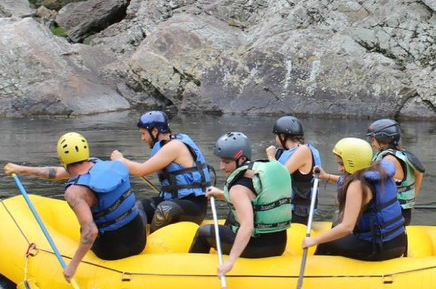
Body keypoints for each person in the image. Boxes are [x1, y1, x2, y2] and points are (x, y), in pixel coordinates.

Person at [4, 132, 147, 280]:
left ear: (62, 159)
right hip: (139, 240)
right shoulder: (105, 165)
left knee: (84, 227)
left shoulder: (74, 192)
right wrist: (22, 169)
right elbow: (56, 173)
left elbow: (90, 232)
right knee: (136, 208)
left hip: (112, 250)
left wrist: (72, 267)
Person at [188, 131, 291, 274]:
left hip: (258, 248)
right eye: (221, 161)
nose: (221, 167)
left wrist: (230, 261)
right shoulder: (259, 171)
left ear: (241, 159)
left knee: (204, 232)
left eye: (226, 162)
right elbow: (255, 199)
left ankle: (192, 273)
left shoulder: (237, 188)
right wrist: (221, 194)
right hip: (279, 244)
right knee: (231, 218)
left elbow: (247, 226)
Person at [302, 138, 408, 261]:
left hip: (379, 247)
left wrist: (314, 240)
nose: (339, 169)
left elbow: (347, 227)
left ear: (352, 162)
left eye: (342, 164)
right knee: (335, 230)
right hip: (399, 241)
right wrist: (326, 176)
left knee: (326, 243)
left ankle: (320, 277)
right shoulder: (380, 172)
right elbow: (347, 181)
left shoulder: (358, 185)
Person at [110, 110, 212, 231]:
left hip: (194, 206)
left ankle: (154, 240)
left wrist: (120, 160)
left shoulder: (174, 146)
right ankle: (138, 238)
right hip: (172, 200)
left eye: (143, 133)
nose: (142, 138)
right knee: (138, 207)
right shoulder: (165, 145)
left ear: (154, 131)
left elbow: (141, 170)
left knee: (165, 209)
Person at [366, 118, 425, 225]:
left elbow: (371, 184)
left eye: (373, 140)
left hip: (393, 213)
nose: (372, 144)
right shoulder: (402, 154)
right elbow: (419, 174)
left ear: (382, 139)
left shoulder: (388, 160)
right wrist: (412, 201)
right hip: (403, 211)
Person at [265, 114, 322, 223]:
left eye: (276, 135)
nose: (275, 138)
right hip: (282, 210)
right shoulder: (282, 152)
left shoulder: (303, 151)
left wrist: (271, 157)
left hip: (297, 213)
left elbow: (279, 176)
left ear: (282, 136)